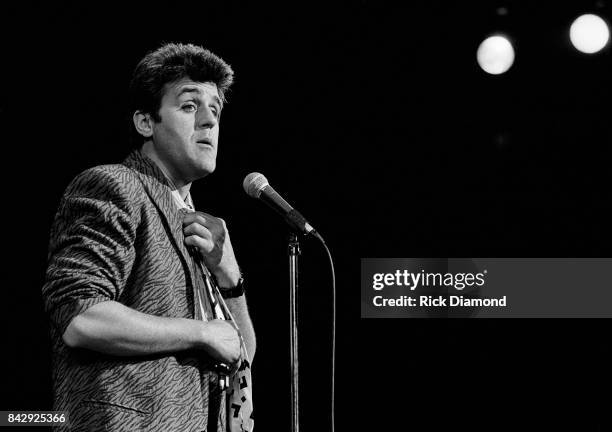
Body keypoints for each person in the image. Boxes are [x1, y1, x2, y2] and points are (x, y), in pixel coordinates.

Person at [42, 42, 255, 432]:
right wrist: (201, 332)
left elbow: (241, 354)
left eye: (216, 110)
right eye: (190, 106)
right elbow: (82, 318)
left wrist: (230, 277)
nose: (209, 121)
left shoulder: (199, 225)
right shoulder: (115, 185)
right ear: (145, 122)